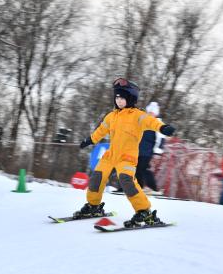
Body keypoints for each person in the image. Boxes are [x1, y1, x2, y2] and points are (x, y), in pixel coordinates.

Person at [75, 78, 175, 227]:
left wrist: (163, 128)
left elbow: (151, 122)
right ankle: (93, 206)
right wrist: (89, 140)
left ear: (130, 98)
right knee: (96, 178)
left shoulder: (137, 115)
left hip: (127, 157)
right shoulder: (111, 116)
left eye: (122, 98)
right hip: (110, 155)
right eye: (117, 97)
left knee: (127, 182)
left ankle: (144, 212)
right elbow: (100, 131)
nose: (119, 101)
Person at [135, 102, 165, 192]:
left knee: (143, 169)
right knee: (135, 169)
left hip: (148, 151)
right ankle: (139, 187)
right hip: (137, 149)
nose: (151, 114)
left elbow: (161, 138)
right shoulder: (142, 121)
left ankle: (153, 188)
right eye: (149, 112)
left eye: (153, 112)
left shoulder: (158, 123)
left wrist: (157, 151)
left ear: (156, 113)